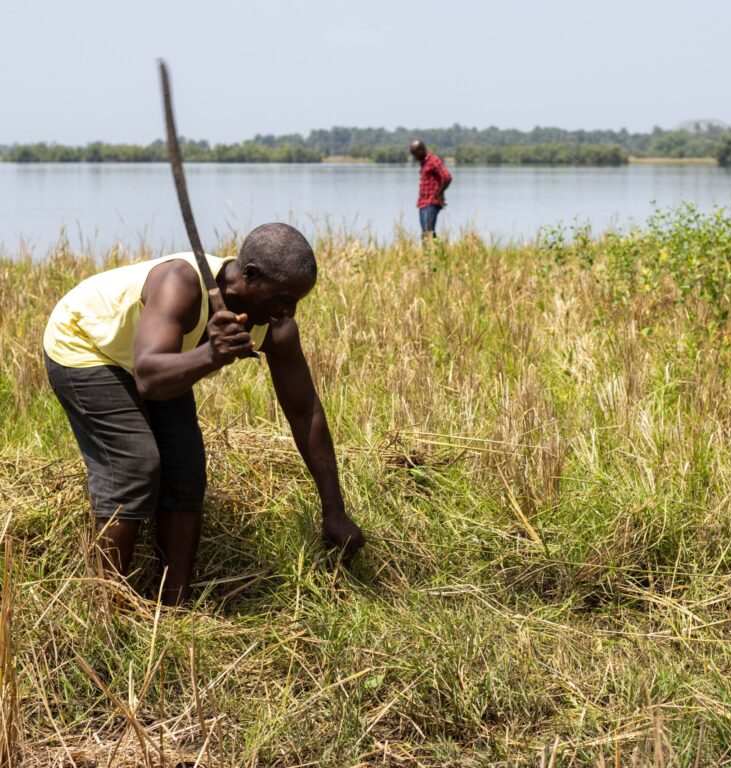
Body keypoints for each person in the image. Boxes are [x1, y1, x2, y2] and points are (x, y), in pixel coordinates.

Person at [43, 223, 365, 606]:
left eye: (296, 301)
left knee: (186, 469)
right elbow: (147, 377)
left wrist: (335, 510)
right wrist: (210, 354)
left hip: (160, 360)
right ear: (249, 275)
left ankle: (173, 603)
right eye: (282, 297)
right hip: (86, 345)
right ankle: (104, 605)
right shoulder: (182, 282)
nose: (289, 311)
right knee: (135, 465)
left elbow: (304, 410)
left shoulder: (276, 327)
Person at [409, 140, 452, 241]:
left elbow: (447, 177)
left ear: (421, 150)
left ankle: (431, 253)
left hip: (431, 202)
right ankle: (439, 252)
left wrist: (439, 193)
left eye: (415, 153)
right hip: (423, 203)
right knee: (427, 233)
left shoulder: (433, 160)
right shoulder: (424, 162)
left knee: (427, 233)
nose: (415, 157)